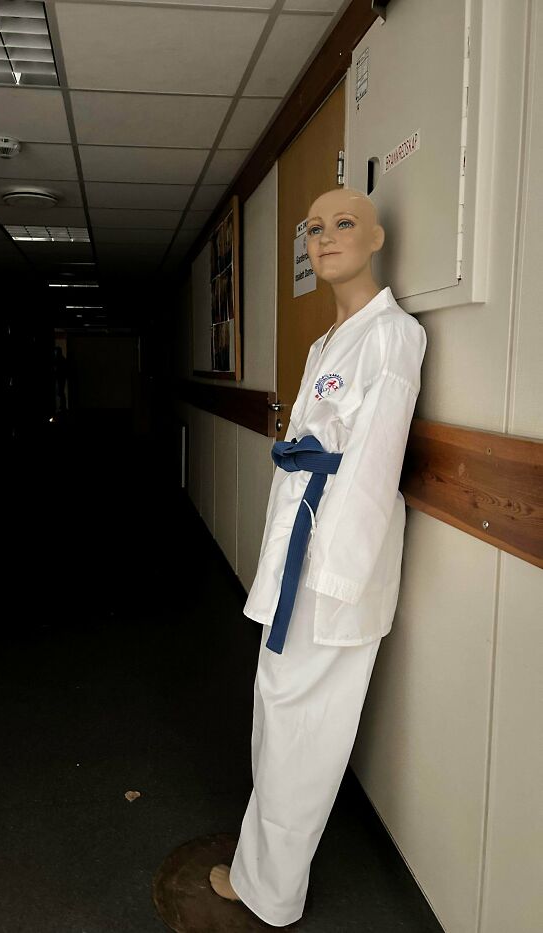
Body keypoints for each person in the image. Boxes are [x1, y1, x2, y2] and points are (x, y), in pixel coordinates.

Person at [209, 186, 427, 927]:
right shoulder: (326, 341)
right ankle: (259, 870)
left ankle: (270, 890)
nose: (325, 237)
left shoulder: (394, 335)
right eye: (313, 229)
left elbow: (372, 468)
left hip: (333, 568)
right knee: (279, 710)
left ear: (375, 240)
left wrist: (331, 580)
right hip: (298, 553)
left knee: (305, 726)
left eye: (343, 224)